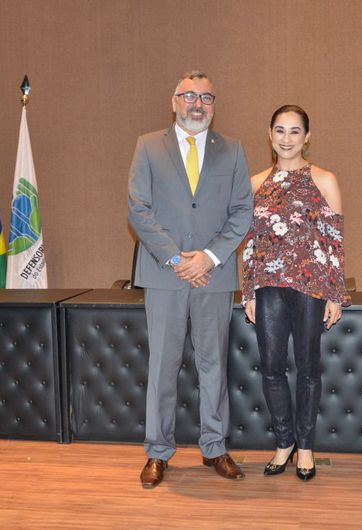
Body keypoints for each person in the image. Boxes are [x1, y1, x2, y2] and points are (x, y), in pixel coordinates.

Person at [128, 70, 253, 488]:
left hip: (213, 276)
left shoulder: (232, 151)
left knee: (213, 365)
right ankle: (157, 452)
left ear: (214, 105)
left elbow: (241, 213)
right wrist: (175, 259)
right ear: (174, 101)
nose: (197, 104)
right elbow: (138, 210)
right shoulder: (148, 146)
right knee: (163, 366)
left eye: (206, 97)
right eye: (189, 96)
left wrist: (209, 257)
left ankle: (214, 448)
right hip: (165, 276)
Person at [242, 104, 350, 481]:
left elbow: (334, 243)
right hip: (268, 287)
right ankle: (283, 443)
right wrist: (249, 293)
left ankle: (306, 448)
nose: (286, 138)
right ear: (269, 134)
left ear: (307, 136)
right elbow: (251, 244)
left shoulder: (325, 179)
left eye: (294, 131)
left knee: (307, 368)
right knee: (271, 368)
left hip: (311, 287)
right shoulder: (255, 183)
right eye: (280, 130)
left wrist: (335, 295)